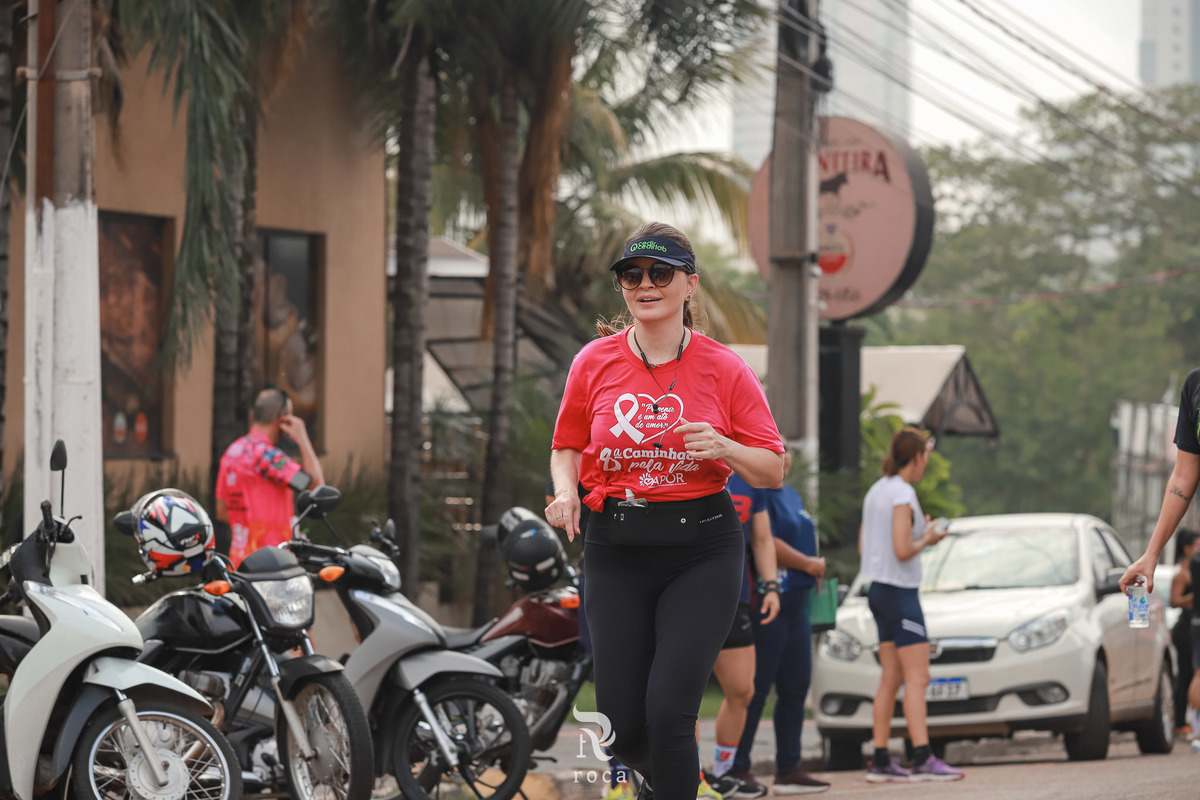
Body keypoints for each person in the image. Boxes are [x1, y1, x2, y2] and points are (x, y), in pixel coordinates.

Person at [545, 222, 786, 800]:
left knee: (670, 712)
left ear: (690, 284)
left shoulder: (724, 367)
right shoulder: (593, 361)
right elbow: (566, 445)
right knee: (621, 723)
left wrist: (725, 446)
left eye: (660, 273)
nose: (645, 285)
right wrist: (566, 491)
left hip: (701, 548)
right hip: (615, 546)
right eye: (631, 275)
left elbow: (773, 469)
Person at [859, 428, 963, 782]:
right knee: (918, 677)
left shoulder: (877, 491)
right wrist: (928, 539)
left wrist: (918, 536)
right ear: (917, 457)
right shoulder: (902, 493)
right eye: (925, 458)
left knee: (891, 677)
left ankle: (880, 758)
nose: (925, 465)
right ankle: (922, 757)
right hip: (900, 593)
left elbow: (865, 546)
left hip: (878, 590)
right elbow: (902, 549)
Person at [730, 453, 829, 795]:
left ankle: (789, 767)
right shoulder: (756, 491)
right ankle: (738, 765)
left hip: (799, 603)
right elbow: (765, 541)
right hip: (769, 600)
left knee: (796, 686)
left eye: (785, 451)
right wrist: (808, 563)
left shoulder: (791, 494)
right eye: (775, 451)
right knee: (755, 689)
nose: (782, 457)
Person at [705, 472, 780, 799]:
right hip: (685, 594)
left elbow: (762, 539)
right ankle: (687, 776)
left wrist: (771, 585)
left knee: (742, 690)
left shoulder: (750, 474)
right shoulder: (685, 459)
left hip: (735, 597)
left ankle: (724, 772)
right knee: (683, 692)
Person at [216, 386, 324, 567]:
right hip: (274, 563)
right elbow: (315, 485)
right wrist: (303, 438)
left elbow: (222, 512)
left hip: (239, 563)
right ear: (282, 419)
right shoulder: (271, 458)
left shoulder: (232, 453)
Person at [1169, 529, 1200, 735]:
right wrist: (1194, 598)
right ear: (1187, 548)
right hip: (1186, 630)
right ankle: (1181, 722)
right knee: (1188, 675)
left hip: (1192, 626)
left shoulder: (1195, 569)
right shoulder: (1182, 573)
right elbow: (1174, 600)